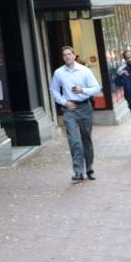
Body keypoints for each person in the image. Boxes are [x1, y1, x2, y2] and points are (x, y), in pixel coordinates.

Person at [49, 46, 101, 182]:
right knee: (74, 141)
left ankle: (89, 167)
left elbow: (96, 88)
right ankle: (78, 171)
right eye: (64, 55)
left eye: (69, 54)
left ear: (74, 55)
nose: (67, 57)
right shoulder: (59, 73)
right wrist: (64, 102)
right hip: (69, 108)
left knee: (86, 139)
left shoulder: (85, 71)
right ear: (63, 57)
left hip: (84, 107)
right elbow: (54, 90)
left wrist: (82, 90)